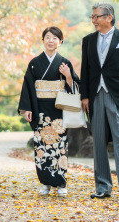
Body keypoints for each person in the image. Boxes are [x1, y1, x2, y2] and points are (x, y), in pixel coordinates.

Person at [80, 3, 119, 200]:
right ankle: (103, 187)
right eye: (92, 17)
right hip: (96, 96)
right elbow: (86, 70)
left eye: (97, 16)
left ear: (109, 17)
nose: (94, 20)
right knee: (98, 142)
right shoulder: (88, 41)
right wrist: (85, 96)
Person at [17, 26, 80, 196]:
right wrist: (27, 109)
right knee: (41, 147)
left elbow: (75, 87)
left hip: (59, 111)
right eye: (48, 37)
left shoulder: (65, 62)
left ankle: (61, 184)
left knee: (60, 147)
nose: (51, 41)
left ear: (60, 41)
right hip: (40, 110)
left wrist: (68, 75)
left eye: (55, 38)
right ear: (43, 40)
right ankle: (45, 183)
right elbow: (28, 88)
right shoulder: (34, 63)